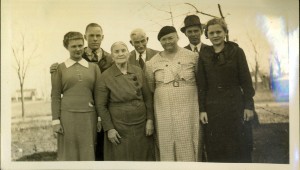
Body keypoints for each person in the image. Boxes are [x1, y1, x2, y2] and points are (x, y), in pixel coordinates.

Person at [50, 23, 113, 161]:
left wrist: (99, 118)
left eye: (80, 45)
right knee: (69, 154)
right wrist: (55, 120)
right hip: (67, 117)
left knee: (88, 153)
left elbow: (98, 96)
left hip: (89, 117)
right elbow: (55, 96)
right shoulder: (59, 69)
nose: (78, 49)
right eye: (73, 46)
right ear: (66, 47)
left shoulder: (93, 68)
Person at [196, 18, 255, 163]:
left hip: (235, 105)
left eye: (218, 32)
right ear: (207, 35)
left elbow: (246, 82)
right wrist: (202, 110)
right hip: (213, 107)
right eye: (211, 33)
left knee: (239, 147)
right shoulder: (204, 55)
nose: (215, 35)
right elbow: (202, 85)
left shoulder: (236, 51)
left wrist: (249, 106)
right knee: (216, 148)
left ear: (225, 33)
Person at [145, 26, 201, 161]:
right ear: (160, 42)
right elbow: (151, 87)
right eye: (163, 39)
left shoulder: (192, 56)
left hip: (188, 104)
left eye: (170, 37)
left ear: (177, 37)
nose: (168, 41)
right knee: (166, 137)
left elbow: (200, 80)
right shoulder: (152, 63)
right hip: (164, 106)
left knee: (187, 136)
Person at [95, 41, 155, 161]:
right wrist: (110, 129)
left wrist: (150, 120)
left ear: (129, 54)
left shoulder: (138, 71)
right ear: (112, 56)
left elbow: (148, 98)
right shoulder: (105, 77)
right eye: (116, 51)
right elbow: (101, 106)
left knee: (143, 157)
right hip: (119, 127)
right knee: (121, 158)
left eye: (123, 50)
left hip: (141, 126)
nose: (120, 54)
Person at [181, 14, 208, 161]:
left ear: (202, 31)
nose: (193, 34)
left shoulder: (210, 50)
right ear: (185, 33)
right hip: (188, 101)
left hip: (209, 101)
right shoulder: (181, 53)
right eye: (189, 31)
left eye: (196, 30)